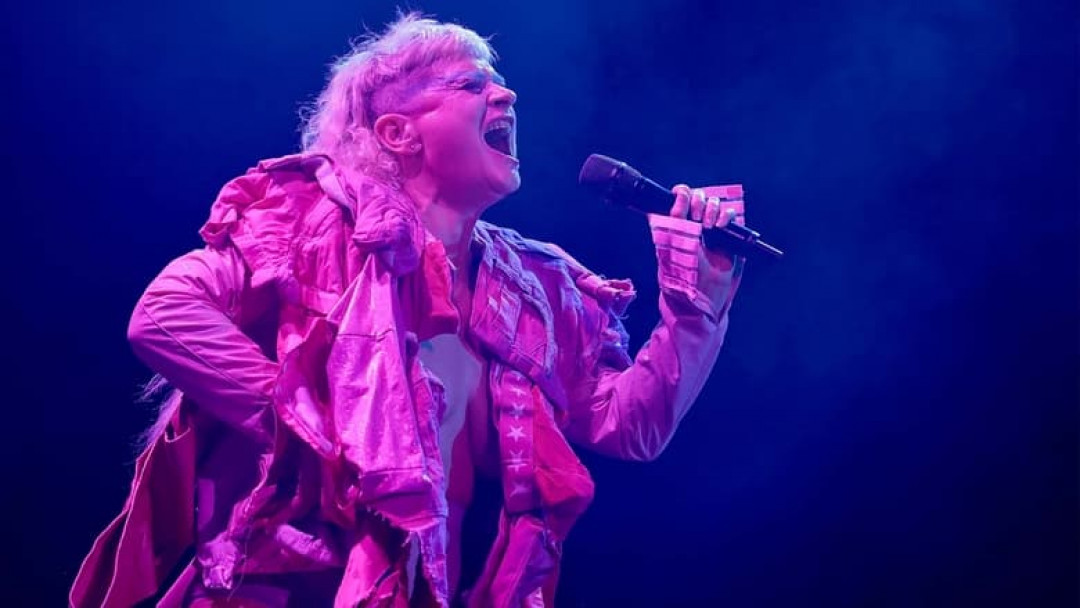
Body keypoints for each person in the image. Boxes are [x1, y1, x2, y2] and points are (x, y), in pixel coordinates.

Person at [70, 12, 745, 608]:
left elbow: (627, 424)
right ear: (397, 132)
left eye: (499, 81)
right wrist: (303, 424)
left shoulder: (533, 286)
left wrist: (697, 307)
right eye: (470, 84)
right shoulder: (310, 223)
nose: (505, 94)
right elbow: (165, 313)